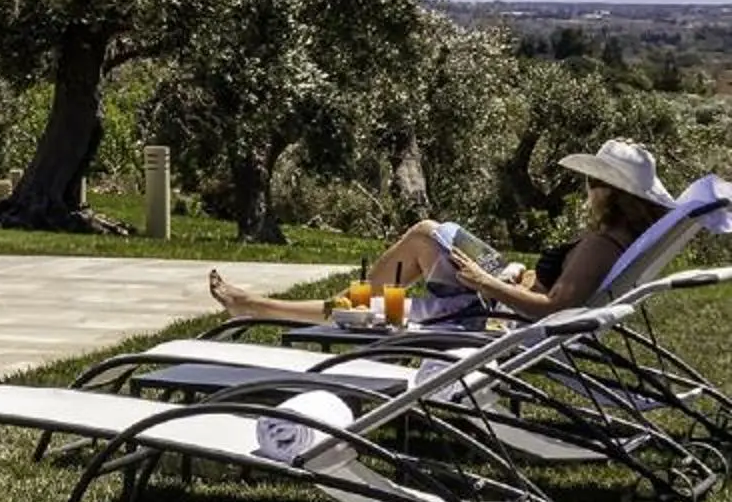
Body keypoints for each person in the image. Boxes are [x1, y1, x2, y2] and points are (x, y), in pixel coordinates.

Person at [206, 137, 670, 328]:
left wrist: (485, 280)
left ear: (610, 193)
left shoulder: (599, 245)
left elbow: (553, 309)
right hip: (500, 288)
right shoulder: (619, 240)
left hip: (490, 308)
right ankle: (303, 305)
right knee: (425, 237)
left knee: (386, 296)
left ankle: (257, 307)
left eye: (592, 182)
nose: (587, 189)